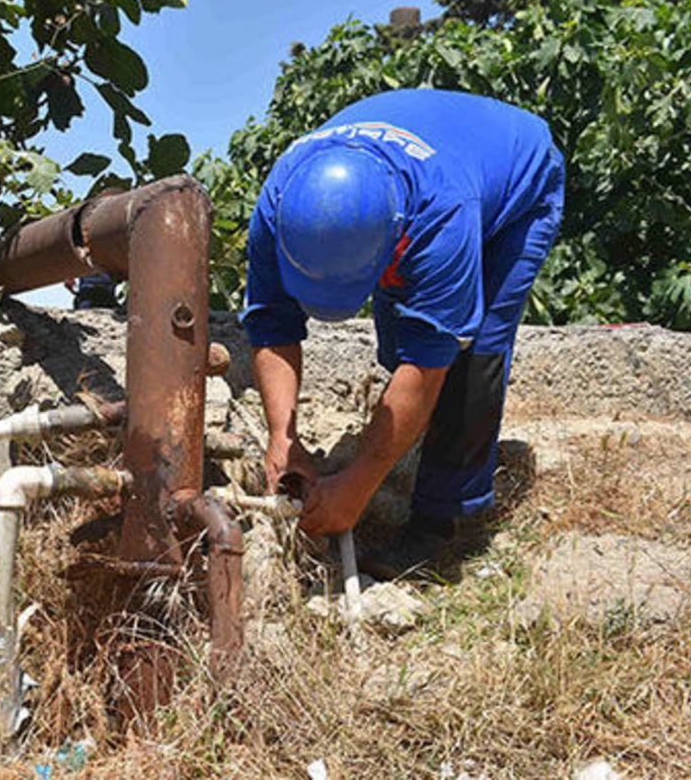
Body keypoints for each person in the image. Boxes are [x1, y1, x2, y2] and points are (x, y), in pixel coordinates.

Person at [241, 89, 565, 579]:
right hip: (430, 166)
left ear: (397, 237)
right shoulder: (279, 207)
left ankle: (440, 525)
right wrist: (282, 438)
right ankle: (419, 449)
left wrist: (357, 486)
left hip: (519, 176)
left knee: (471, 351)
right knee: (401, 347)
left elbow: (429, 361)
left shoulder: (441, 218)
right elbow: (270, 323)